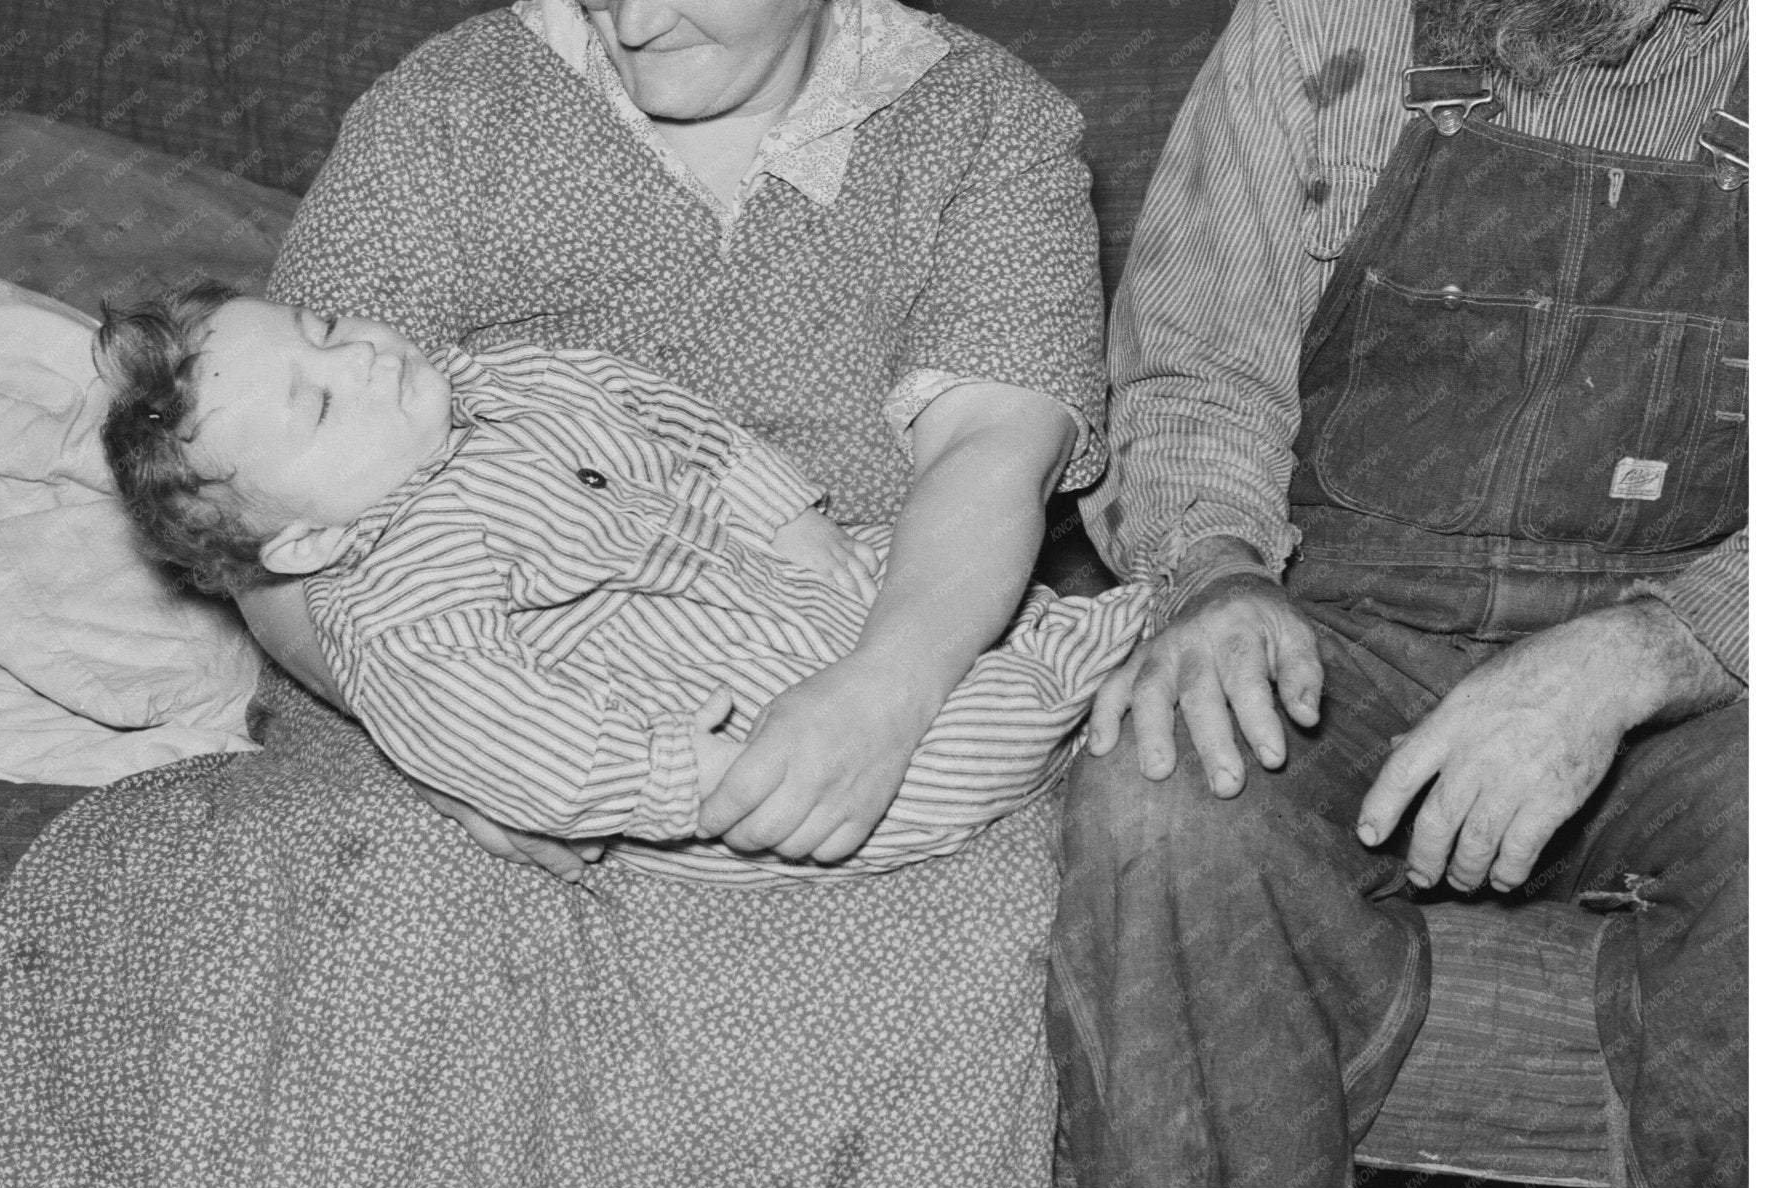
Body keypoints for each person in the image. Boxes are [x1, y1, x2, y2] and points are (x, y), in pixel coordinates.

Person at [0, 0, 1110, 1188]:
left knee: (962, 899)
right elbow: (273, 504)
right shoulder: (456, 105)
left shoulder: (979, 130)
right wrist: (458, 739)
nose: (634, 17)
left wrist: (882, 694)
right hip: (440, 663)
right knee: (361, 873)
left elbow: (991, 442)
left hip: (818, 626)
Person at [1051, 0, 1746, 1188]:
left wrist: (1638, 653)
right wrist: (1207, 578)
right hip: (1347, 625)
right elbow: (1187, 355)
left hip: (1701, 673)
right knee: (1157, 794)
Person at [93, 286, 1145, 878]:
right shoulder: (395, 604)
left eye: (324, 331)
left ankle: (1097, 634)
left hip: (773, 580)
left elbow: (663, 412)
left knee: (930, 571)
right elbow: (512, 740)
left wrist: (780, 510)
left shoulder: (501, 379)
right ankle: (1076, 672)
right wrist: (679, 774)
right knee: (948, 757)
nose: (359, 360)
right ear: (304, 547)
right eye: (319, 406)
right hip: (716, 727)